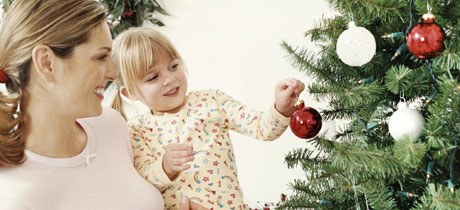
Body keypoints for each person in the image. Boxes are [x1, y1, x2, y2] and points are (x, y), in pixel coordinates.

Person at [0, 0, 174, 209]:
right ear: (47, 63)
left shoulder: (111, 125)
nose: (113, 73)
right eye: (101, 57)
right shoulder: (15, 199)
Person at [111, 26, 305, 210]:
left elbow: (261, 127)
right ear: (129, 93)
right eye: (153, 77)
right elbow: (141, 184)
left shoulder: (211, 100)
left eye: (173, 66)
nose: (169, 79)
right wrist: (165, 167)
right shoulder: (136, 129)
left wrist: (281, 108)